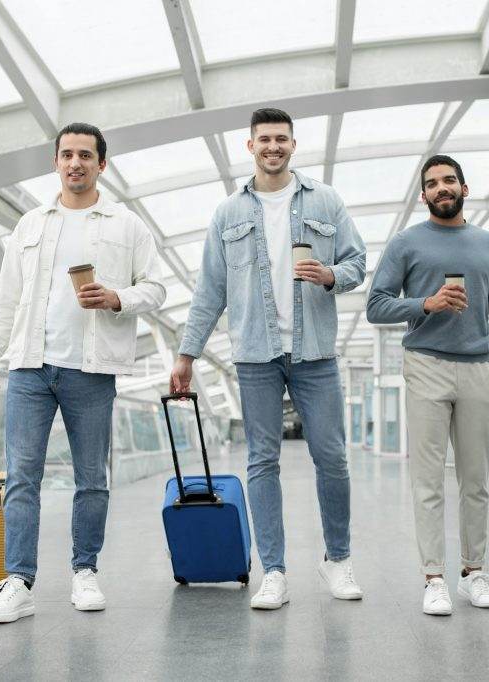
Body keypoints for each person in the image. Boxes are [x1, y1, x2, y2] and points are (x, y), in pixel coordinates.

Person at [0, 123, 166, 623]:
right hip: (30, 368)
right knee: (22, 479)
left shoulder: (126, 225)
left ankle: (85, 571)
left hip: (92, 371)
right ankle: (18, 581)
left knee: (92, 479)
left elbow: (156, 288)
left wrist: (118, 297)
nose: (76, 163)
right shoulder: (30, 225)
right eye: (67, 154)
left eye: (86, 155)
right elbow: (8, 301)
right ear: (56, 162)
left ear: (102, 163)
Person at [170, 108, 367, 610]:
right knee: (262, 461)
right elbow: (210, 290)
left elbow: (357, 262)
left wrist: (329, 275)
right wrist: (187, 353)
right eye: (265, 139)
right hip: (255, 352)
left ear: (293, 145)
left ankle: (337, 559)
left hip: (315, 351)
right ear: (250, 146)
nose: (273, 147)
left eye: (281, 139)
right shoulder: (228, 213)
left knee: (333, 458)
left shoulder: (326, 200)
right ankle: (274, 570)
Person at [366, 154, 489, 616]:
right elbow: (375, 306)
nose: (441, 188)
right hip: (425, 364)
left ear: (464, 189)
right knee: (428, 480)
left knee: (476, 480)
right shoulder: (405, 244)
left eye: (449, 180)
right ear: (423, 195)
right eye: (432, 184)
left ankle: (474, 573)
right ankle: (434, 578)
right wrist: (425, 304)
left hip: (477, 368)